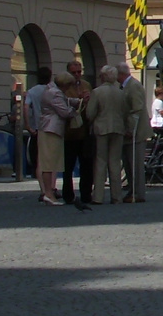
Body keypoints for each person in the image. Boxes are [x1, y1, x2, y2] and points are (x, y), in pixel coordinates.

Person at [86, 66, 133, 205]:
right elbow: (125, 112)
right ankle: (116, 196)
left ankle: (98, 196)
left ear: (102, 76)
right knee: (115, 162)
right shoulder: (120, 93)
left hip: (101, 128)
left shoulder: (97, 92)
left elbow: (90, 113)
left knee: (101, 162)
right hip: (118, 128)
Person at [27, 67, 69, 205]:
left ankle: (43, 190)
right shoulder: (53, 91)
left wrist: (29, 126)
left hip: (39, 127)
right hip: (50, 128)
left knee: (43, 161)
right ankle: (50, 190)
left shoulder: (32, 91)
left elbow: (26, 108)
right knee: (49, 161)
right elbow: (64, 111)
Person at [62, 60, 95, 210]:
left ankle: (86, 194)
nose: (77, 75)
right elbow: (63, 105)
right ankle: (68, 195)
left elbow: (92, 105)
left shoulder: (86, 85)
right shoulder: (64, 87)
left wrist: (88, 100)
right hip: (69, 132)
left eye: (79, 72)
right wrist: (78, 100)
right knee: (68, 166)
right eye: (73, 72)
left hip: (84, 131)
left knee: (86, 165)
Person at [120, 62, 150, 203]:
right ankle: (132, 191)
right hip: (130, 132)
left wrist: (130, 129)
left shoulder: (133, 86)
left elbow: (136, 110)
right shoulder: (126, 86)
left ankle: (138, 193)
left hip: (136, 133)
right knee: (129, 164)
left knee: (136, 164)